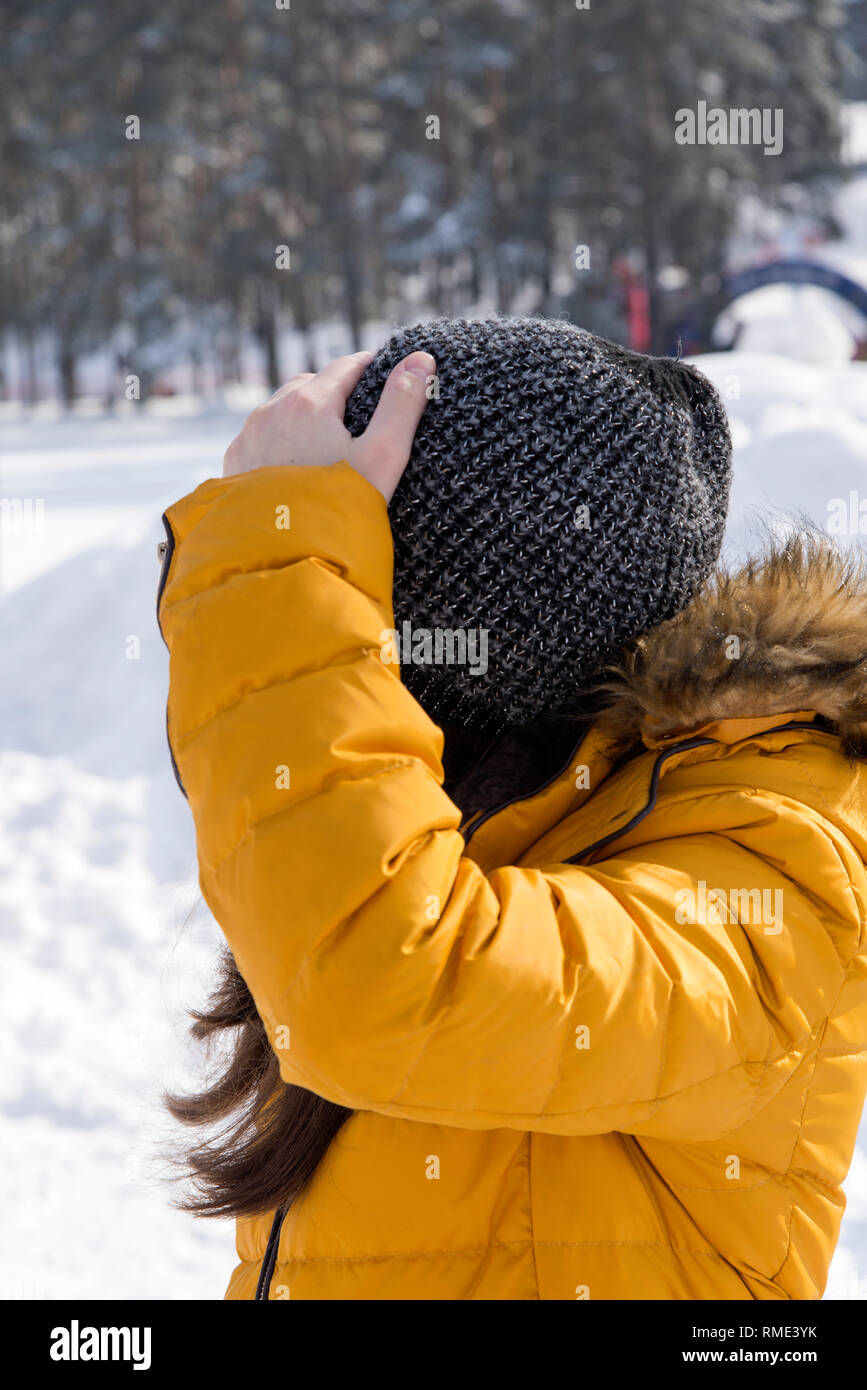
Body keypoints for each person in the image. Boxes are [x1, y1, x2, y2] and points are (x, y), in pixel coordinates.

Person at [157, 316, 867, 1300]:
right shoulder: (474, 818)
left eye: (357, 578)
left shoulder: (773, 863)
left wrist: (280, 563)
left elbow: (389, 979)